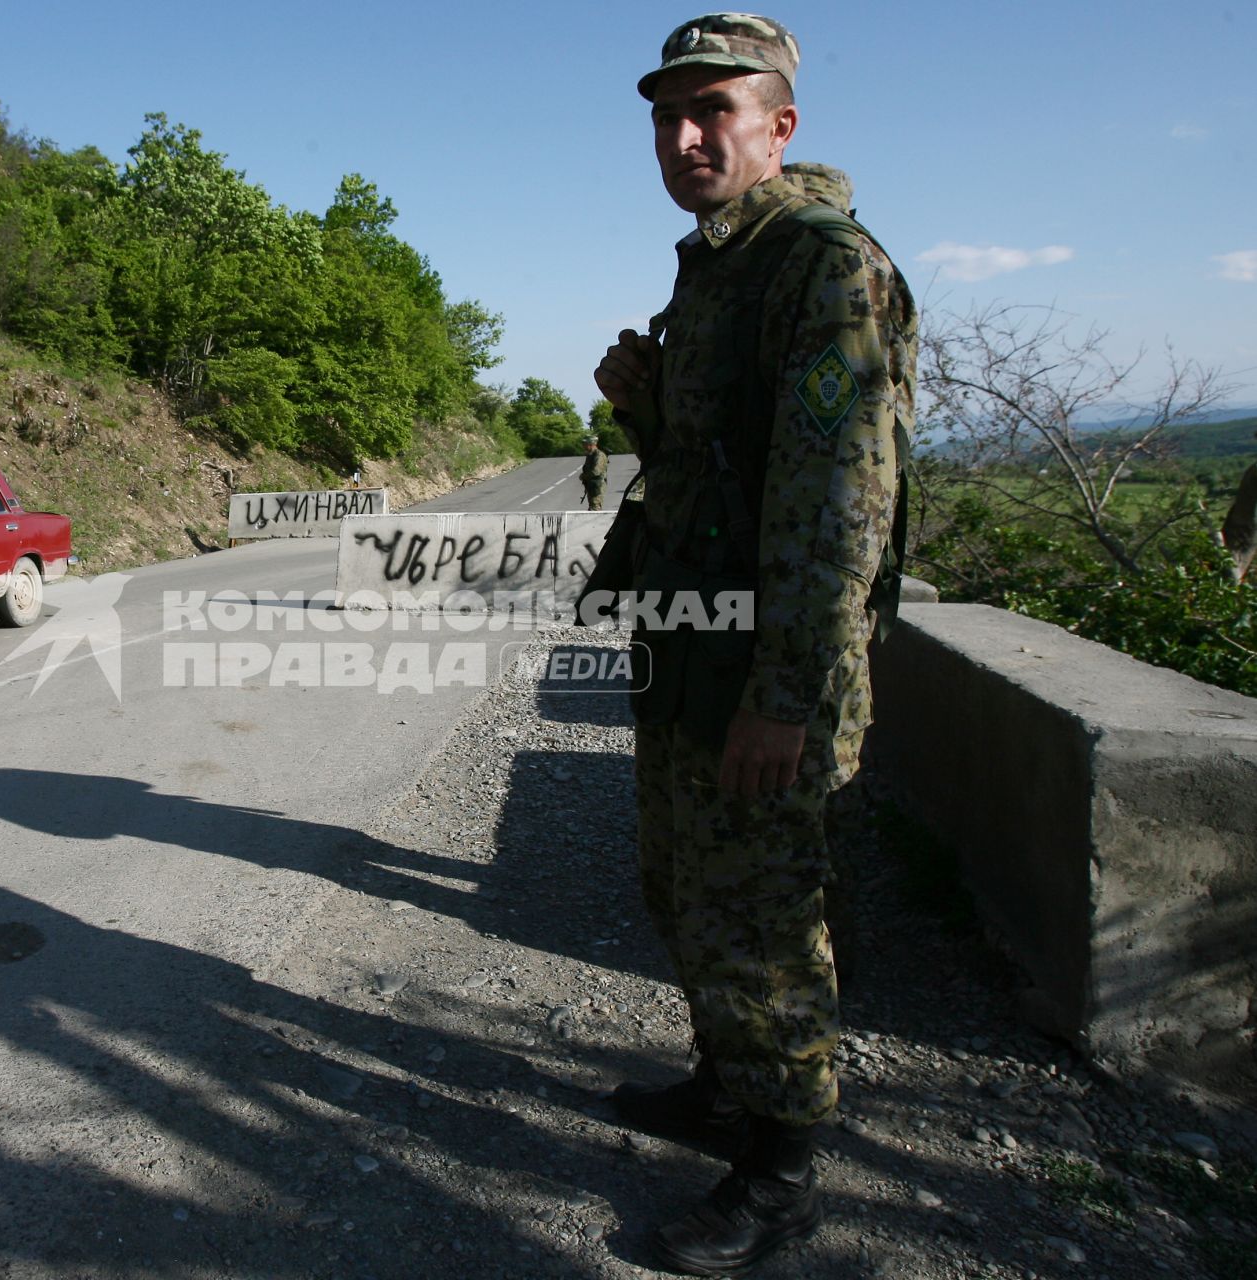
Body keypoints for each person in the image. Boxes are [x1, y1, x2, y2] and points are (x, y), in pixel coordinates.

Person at [591, 13, 916, 1275]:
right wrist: (649, 410)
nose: (682, 138)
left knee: (762, 918)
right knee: (683, 889)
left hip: (764, 674)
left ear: (781, 124)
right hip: (693, 649)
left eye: (712, 110)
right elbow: (721, 476)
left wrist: (788, 698)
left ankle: (780, 1179)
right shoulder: (719, 264)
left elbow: (839, 507)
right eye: (666, 116)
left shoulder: (822, 264)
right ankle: (726, 1085)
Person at [581, 436, 609, 510]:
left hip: (597, 486)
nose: (583, 446)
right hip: (592, 485)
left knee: (595, 507)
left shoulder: (599, 455)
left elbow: (596, 471)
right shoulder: (590, 455)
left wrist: (583, 476)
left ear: (591, 444)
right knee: (592, 506)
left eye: (585, 444)